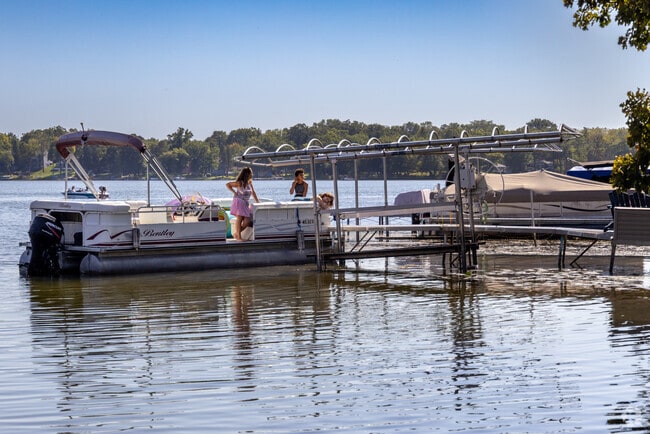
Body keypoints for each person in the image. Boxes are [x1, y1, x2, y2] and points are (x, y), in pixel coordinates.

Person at [226, 167, 259, 241]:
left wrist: (258, 202)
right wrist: (234, 192)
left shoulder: (249, 182)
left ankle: (236, 234)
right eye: (250, 173)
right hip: (239, 201)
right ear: (246, 174)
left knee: (247, 220)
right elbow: (228, 184)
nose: (252, 175)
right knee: (240, 218)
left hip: (245, 203)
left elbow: (253, 193)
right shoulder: (240, 182)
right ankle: (239, 237)